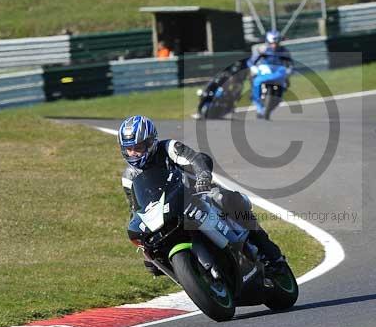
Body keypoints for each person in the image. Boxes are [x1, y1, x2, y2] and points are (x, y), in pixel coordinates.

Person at [118, 115, 285, 276]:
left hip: (196, 195)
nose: (133, 154)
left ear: (150, 142)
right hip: (166, 214)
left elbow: (196, 160)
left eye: (138, 148)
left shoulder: (169, 148)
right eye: (129, 149)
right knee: (151, 261)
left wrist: (203, 177)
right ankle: (193, 275)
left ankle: (272, 255)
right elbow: (135, 208)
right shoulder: (128, 177)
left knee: (228, 200)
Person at [247, 30, 293, 118]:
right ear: (268, 42)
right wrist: (254, 68)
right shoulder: (262, 49)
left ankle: (278, 96)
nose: (274, 45)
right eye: (272, 43)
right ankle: (255, 97)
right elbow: (251, 61)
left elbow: (290, 64)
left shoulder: (284, 51)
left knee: (286, 83)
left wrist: (288, 71)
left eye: (276, 43)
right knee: (252, 77)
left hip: (278, 73)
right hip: (264, 71)